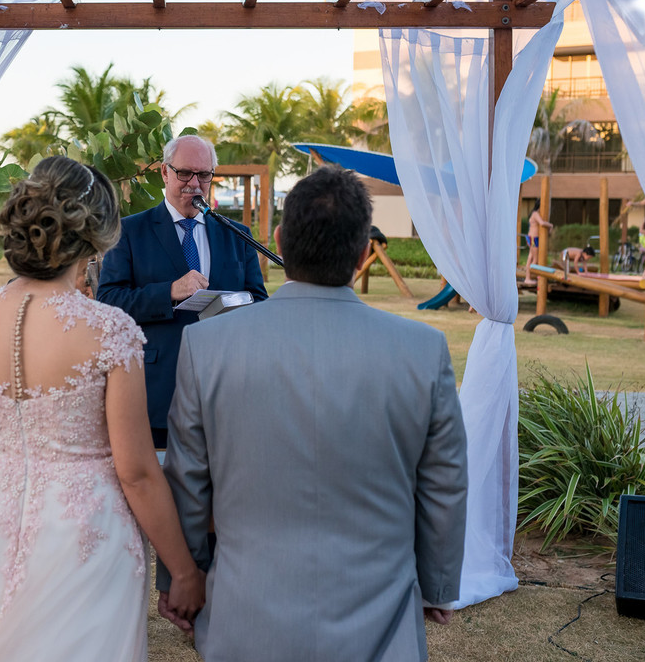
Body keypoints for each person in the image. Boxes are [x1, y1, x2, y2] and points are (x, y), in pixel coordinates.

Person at [158, 165, 468, 661]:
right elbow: (444, 482)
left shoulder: (207, 345)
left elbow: (187, 478)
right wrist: (437, 584)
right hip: (380, 623)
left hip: (245, 617)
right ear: (365, 250)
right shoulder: (423, 351)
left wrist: (182, 576)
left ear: (280, 242)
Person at [0, 157, 205, 662]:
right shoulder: (110, 332)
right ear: (95, 238)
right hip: (86, 537)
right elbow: (136, 473)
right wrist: (184, 571)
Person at [97, 135, 269, 447]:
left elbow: (259, 301)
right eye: (184, 173)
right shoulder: (129, 232)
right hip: (157, 392)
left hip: (225, 393)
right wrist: (170, 291)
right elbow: (108, 302)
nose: (195, 183)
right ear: (164, 172)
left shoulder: (237, 235)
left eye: (204, 175)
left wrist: (234, 305)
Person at [523, 207, 553, 284]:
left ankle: (528, 277)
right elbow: (542, 223)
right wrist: (550, 225)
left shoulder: (535, 214)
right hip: (533, 238)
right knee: (535, 259)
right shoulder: (535, 213)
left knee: (530, 258)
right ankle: (529, 278)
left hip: (531, 238)